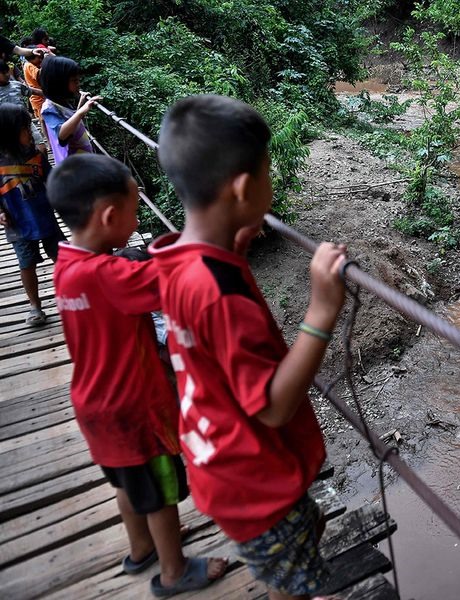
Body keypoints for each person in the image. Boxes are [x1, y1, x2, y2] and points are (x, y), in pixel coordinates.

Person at [151, 94, 347, 600]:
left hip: (217, 460)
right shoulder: (221, 293)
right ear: (242, 189)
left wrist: (235, 245)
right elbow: (276, 407)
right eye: (268, 173)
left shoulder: (175, 258)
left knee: (302, 535)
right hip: (254, 482)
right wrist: (322, 309)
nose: (272, 184)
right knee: (295, 579)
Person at [48, 154, 228, 597]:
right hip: (136, 410)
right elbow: (168, 283)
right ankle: (173, 571)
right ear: (110, 216)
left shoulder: (68, 267)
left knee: (128, 485)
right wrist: (209, 239)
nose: (138, 217)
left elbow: (128, 278)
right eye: (134, 209)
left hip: (95, 408)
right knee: (160, 493)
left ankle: (141, 548)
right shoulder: (110, 275)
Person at [0, 104, 63, 326]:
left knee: (61, 257)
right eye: (25, 128)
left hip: (44, 214)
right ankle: (35, 306)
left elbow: (51, 179)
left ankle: (72, 294)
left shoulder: (35, 155)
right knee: (26, 263)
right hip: (17, 222)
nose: (30, 132)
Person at [38, 55, 99, 163]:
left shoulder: (62, 103)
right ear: (59, 83)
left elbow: (71, 121)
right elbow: (61, 135)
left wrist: (81, 104)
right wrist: (81, 112)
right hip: (72, 167)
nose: (78, 84)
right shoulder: (49, 108)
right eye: (74, 81)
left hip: (83, 161)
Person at [0, 60, 47, 154]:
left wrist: (52, 96)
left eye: (7, 71)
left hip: (25, 122)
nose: (7, 74)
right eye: (3, 73)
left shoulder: (16, 85)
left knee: (41, 146)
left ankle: (44, 166)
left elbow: (34, 92)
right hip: (6, 126)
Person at [23, 49, 46, 129]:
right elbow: (39, 76)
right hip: (38, 98)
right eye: (39, 58)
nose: (41, 60)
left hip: (41, 97)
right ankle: (49, 139)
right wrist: (46, 64)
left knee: (44, 118)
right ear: (31, 58)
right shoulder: (29, 65)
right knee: (43, 119)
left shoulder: (32, 65)